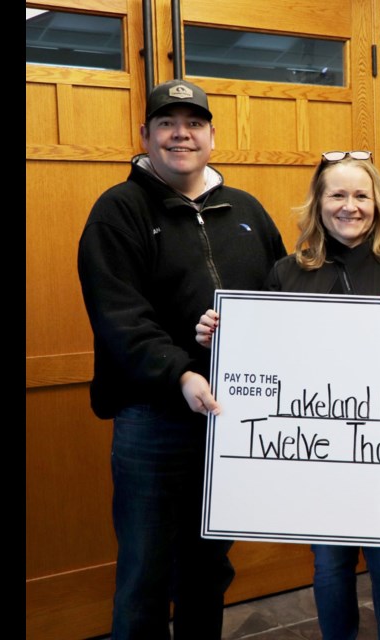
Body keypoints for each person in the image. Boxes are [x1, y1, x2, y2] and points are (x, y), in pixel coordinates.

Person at [77, 79, 286, 639]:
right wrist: (182, 372)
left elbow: (283, 294)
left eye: (193, 123)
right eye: (167, 123)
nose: (181, 134)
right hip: (155, 420)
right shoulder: (117, 211)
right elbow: (120, 318)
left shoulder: (245, 210)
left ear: (212, 136)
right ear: (145, 135)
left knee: (207, 570)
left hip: (227, 421)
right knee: (145, 574)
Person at [198, 150, 380, 640]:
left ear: (377, 204)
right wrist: (222, 336)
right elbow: (264, 355)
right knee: (329, 565)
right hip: (319, 452)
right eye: (338, 194)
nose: (350, 206)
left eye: (361, 195)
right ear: (319, 203)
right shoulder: (287, 273)